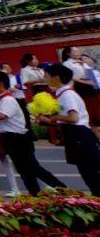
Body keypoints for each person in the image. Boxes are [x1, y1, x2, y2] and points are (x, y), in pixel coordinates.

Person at [0, 71, 66, 196]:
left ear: (0, 84)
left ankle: (62, 189)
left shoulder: (7, 99)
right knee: (25, 170)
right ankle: (35, 194)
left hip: (18, 138)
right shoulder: (2, 99)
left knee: (32, 168)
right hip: (12, 138)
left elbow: (1, 116)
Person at [39, 63, 99, 195]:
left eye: (47, 75)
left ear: (57, 77)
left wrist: (54, 118)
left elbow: (73, 118)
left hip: (79, 135)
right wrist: (48, 120)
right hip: (76, 135)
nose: (45, 78)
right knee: (89, 173)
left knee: (91, 174)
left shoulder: (67, 95)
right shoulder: (62, 94)